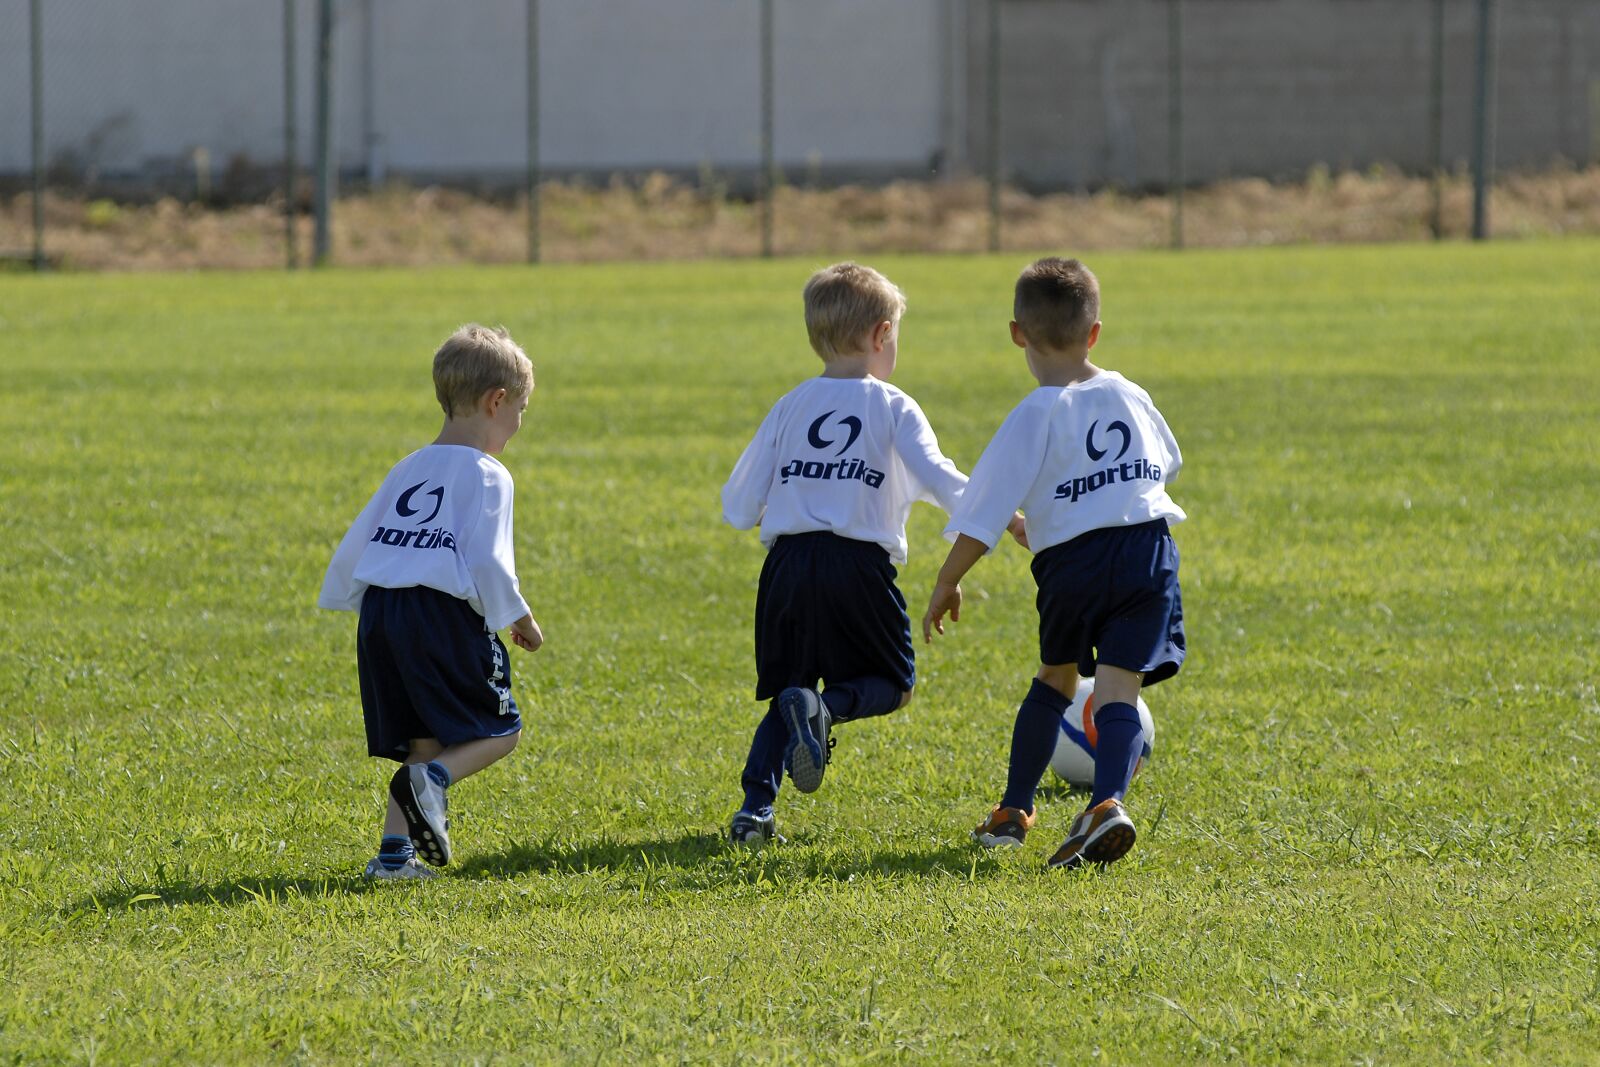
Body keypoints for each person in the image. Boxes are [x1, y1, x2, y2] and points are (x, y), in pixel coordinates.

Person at [721, 262, 1024, 847]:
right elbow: (938, 476)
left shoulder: (789, 404)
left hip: (785, 567)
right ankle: (825, 709)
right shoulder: (892, 405)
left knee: (787, 690)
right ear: (883, 335)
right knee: (894, 684)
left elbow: (738, 505)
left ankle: (754, 811)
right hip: (857, 567)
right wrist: (1003, 515)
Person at [922, 257, 1186, 870]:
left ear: (1018, 333)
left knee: (1057, 677)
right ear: (1095, 331)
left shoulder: (1034, 413)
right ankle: (1105, 804)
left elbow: (984, 511)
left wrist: (947, 579)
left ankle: (1014, 810)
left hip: (1073, 564)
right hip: (1148, 550)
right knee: (1120, 686)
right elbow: (1165, 464)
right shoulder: (1129, 392)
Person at [319, 324, 543, 879]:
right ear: (497, 401)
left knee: (423, 739)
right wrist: (518, 617)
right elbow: (489, 561)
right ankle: (436, 782)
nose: (517, 426)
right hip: (441, 613)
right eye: (519, 411)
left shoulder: (410, 465)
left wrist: (353, 601)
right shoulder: (490, 475)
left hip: (381, 613)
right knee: (500, 730)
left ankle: (394, 857)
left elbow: (359, 540)